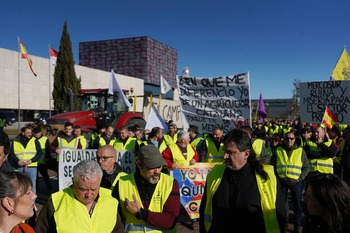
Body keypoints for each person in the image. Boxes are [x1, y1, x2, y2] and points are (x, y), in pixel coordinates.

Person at [199, 128, 287, 233]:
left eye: (230, 152)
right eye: (224, 152)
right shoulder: (215, 174)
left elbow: (281, 216)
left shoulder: (267, 178)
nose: (225, 156)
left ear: (246, 154)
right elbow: (204, 210)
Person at [35, 160, 124, 233]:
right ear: (73, 182)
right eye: (83, 189)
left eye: (93, 189)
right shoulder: (55, 203)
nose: (89, 194)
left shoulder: (110, 202)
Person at [112, 145, 180, 232]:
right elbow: (114, 222)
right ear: (139, 164)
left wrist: (140, 213)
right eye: (152, 167)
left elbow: (170, 221)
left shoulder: (171, 183)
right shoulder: (121, 184)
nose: (157, 171)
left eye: (159, 166)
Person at [270, 131, 310, 233]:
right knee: (281, 206)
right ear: (284, 139)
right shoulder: (278, 150)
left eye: (291, 138)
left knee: (297, 206)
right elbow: (272, 166)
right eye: (287, 138)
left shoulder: (300, 151)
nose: (289, 140)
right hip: (282, 182)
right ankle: (283, 226)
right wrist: (277, 178)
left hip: (296, 183)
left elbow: (306, 167)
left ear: (294, 140)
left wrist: (299, 178)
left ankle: (297, 227)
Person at [8, 126, 42, 195]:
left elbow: (39, 152)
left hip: (31, 167)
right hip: (19, 167)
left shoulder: (35, 140)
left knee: (32, 187)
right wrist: (17, 161)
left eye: (31, 132)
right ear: (23, 133)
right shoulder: (15, 141)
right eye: (28, 133)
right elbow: (11, 154)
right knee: (18, 187)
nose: (30, 134)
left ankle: (32, 204)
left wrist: (32, 160)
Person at [33, 126, 52, 191]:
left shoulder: (45, 139)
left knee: (45, 175)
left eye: (37, 133)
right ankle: (36, 189)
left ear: (41, 132)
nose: (36, 134)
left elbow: (47, 149)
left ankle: (49, 187)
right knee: (35, 177)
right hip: (34, 161)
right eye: (35, 133)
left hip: (42, 161)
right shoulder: (32, 139)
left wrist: (48, 158)